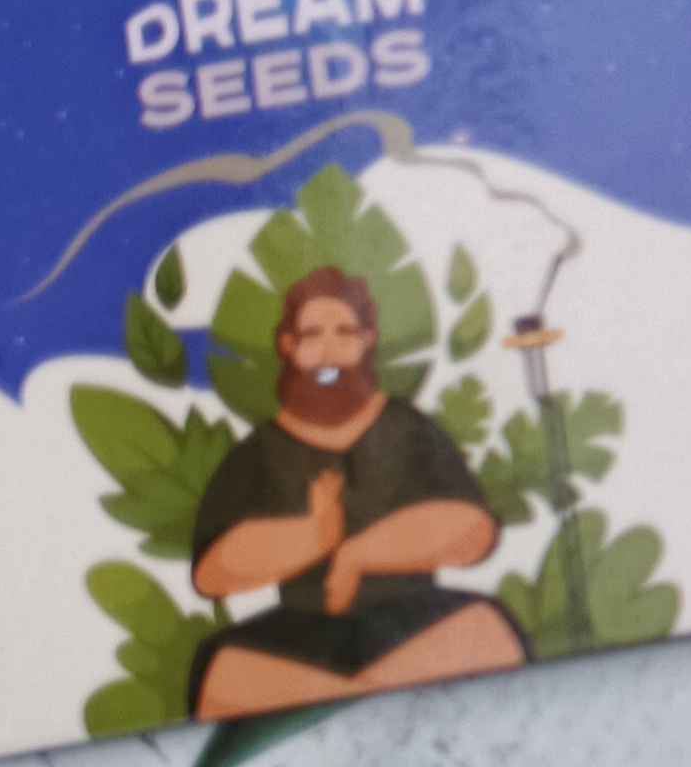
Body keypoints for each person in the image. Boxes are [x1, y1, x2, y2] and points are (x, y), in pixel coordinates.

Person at [187, 264, 526, 717]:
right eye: (312, 335)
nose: (329, 350)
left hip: (416, 621)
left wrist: (361, 552)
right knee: (224, 673)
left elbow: (473, 533)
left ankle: (340, 698)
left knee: (488, 631)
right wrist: (313, 537)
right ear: (287, 345)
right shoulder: (260, 450)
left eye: (344, 333)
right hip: (300, 634)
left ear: (367, 341)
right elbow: (212, 574)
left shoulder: (406, 427)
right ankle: (371, 696)